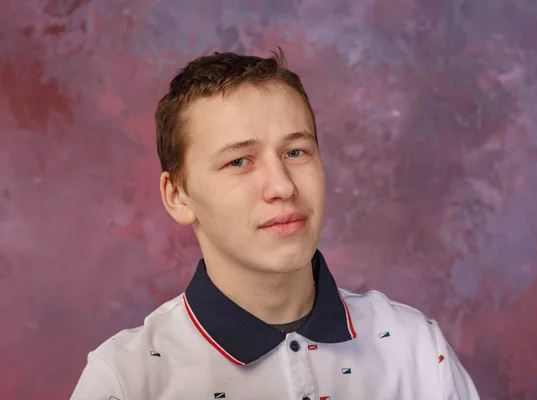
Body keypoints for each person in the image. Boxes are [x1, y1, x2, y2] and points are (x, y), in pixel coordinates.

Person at [71, 48, 480, 400]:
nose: (282, 186)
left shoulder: (417, 349)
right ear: (177, 195)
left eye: (296, 152)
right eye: (239, 161)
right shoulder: (125, 380)